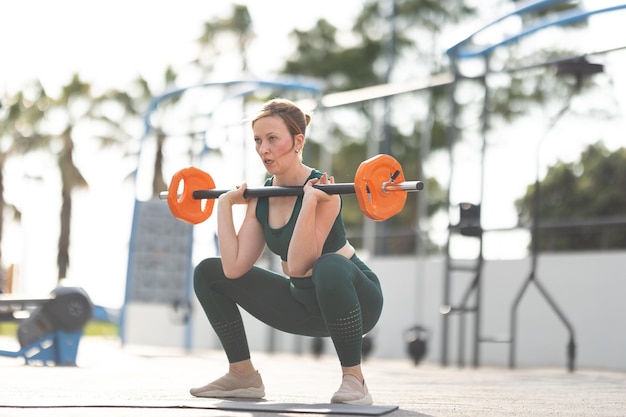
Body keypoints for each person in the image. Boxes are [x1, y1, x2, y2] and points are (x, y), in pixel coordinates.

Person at [190, 98, 384, 405]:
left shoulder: (326, 193)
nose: (263, 149)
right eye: (257, 140)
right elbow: (234, 268)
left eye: (272, 139)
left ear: (297, 142)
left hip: (357, 302)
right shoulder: (262, 196)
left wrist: (308, 203)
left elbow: (297, 264)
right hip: (303, 305)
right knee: (207, 272)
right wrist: (224, 206)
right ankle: (243, 375)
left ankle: (355, 380)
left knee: (328, 266)